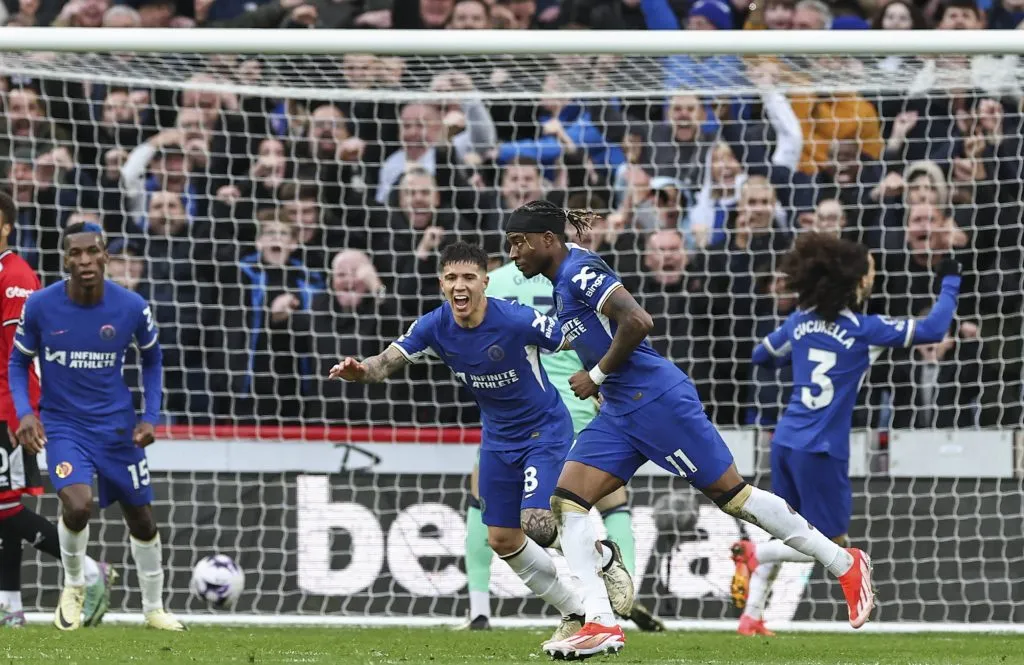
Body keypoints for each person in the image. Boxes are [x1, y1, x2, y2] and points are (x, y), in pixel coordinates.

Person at [505, 201, 875, 660]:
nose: (514, 251)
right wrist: (604, 385)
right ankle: (600, 622)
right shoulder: (561, 281)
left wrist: (596, 375)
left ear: (547, 240)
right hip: (621, 408)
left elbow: (638, 321)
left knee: (735, 498)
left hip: (657, 402)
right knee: (567, 502)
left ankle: (844, 562)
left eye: (519, 242)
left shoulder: (579, 270)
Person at [329, 242, 633, 649]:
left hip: (545, 429)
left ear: (485, 283)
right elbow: (384, 364)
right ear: (441, 284)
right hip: (498, 439)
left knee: (538, 523)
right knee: (503, 541)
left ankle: (602, 574)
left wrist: (600, 377)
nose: (460, 285)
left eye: (469, 277)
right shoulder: (433, 326)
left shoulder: (515, 319)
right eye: (452, 277)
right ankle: (574, 610)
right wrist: (359, 370)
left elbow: (569, 337)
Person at [731, 233, 961, 636]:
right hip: (821, 449)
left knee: (786, 527)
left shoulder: (798, 322)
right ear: (855, 283)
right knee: (832, 541)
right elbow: (934, 328)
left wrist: (791, 361)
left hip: (785, 441)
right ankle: (753, 554)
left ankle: (751, 616)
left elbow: (759, 356)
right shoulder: (864, 329)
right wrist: (950, 280)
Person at [457, 255, 664, 633]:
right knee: (607, 498)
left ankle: (478, 609)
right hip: (580, 396)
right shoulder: (582, 278)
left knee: (482, 495)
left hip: (524, 408)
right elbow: (608, 331)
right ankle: (625, 589)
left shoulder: (495, 282)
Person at [8, 222, 184, 632]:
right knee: (77, 504)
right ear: (64, 259)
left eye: (93, 252)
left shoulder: (132, 307)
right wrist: (26, 412)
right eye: (76, 253)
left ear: (105, 255)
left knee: (141, 519)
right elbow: (18, 362)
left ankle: (154, 609)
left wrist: (150, 416)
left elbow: (153, 361)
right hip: (64, 424)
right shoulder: (39, 305)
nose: (85, 260)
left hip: (117, 429)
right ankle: (75, 585)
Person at [0, 194, 115, 628]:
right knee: (3, 506)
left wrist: (21, 413)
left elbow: (19, 353)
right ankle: (10, 607)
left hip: (8, 408)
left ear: (7, 226)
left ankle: (87, 571)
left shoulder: (15, 277)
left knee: (5, 509)